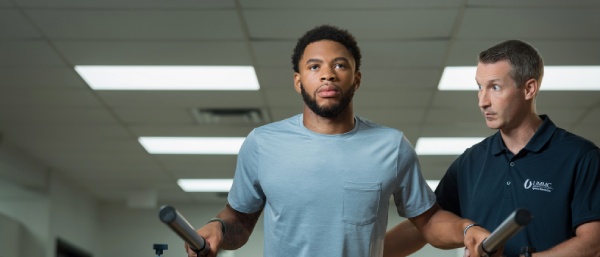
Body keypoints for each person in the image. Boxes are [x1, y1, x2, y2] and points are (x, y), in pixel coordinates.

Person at [185, 24, 493, 257]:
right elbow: (240, 220)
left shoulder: (392, 146)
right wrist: (218, 227)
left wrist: (467, 230)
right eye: (314, 66)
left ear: (356, 78)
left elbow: (428, 221)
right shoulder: (261, 143)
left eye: (340, 65)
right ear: (298, 81)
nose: (328, 75)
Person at [384, 40, 600, 257]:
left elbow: (593, 243)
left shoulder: (580, 157)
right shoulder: (470, 162)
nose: (482, 101)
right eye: (480, 87)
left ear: (529, 88)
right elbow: (426, 224)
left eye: (495, 87)